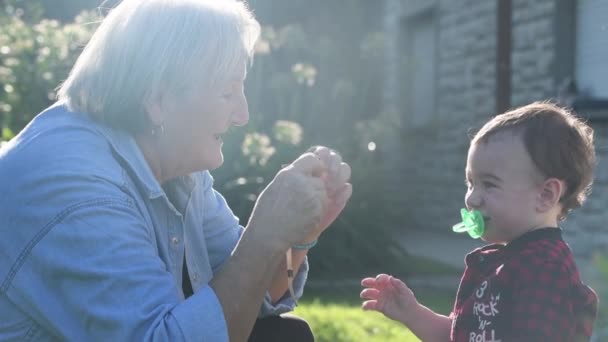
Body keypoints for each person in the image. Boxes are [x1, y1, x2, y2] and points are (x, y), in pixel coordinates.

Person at [0, 0, 352, 341]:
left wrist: (296, 236)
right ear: (158, 100)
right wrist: (264, 237)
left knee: (285, 336)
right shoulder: (72, 190)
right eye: (228, 92)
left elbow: (253, 298)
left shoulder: (176, 169)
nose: (242, 115)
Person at [360, 102, 598, 341]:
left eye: (490, 184)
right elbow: (462, 335)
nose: (471, 199)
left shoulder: (543, 269)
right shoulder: (510, 262)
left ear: (545, 195)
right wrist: (413, 314)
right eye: (471, 183)